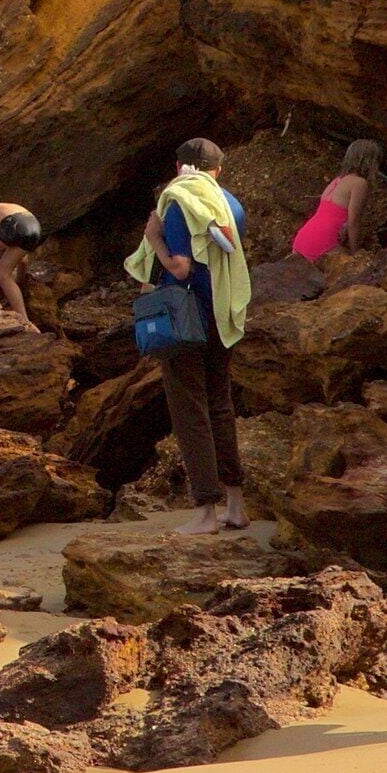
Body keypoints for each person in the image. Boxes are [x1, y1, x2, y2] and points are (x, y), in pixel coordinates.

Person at [125, 137, 254, 536]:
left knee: (189, 408)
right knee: (219, 404)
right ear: (218, 170)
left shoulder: (179, 199)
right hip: (221, 312)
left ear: (180, 167)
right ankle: (236, 505)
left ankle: (204, 512)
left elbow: (179, 268)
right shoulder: (229, 204)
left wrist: (155, 239)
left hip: (185, 316)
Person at [290, 138, 387, 266]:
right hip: (324, 240)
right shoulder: (360, 183)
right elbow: (353, 221)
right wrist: (355, 252)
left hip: (303, 239)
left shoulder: (338, 180)